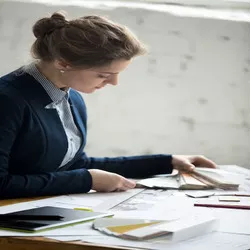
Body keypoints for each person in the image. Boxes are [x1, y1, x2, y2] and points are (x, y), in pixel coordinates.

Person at [0, 12, 216, 199]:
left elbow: (75, 164)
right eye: (103, 75)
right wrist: (86, 180)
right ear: (63, 63)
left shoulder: (70, 96)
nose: (114, 83)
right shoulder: (7, 100)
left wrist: (166, 162)